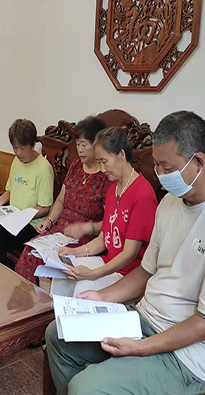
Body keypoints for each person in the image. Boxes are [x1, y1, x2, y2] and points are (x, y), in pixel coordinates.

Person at [45, 111, 205, 395]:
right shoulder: (171, 203)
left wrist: (139, 348)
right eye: (157, 165)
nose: (160, 175)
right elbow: (146, 272)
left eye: (166, 167)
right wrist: (101, 297)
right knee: (57, 334)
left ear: (198, 162)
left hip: (187, 356)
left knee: (85, 389)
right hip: (143, 320)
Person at [51, 126, 157, 296]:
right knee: (64, 273)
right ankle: (57, 313)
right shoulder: (114, 189)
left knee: (83, 287)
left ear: (121, 155)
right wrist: (74, 252)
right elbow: (103, 239)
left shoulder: (142, 194)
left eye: (104, 161)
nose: (101, 169)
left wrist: (93, 274)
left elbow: (129, 254)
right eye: (99, 162)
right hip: (108, 261)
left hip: (128, 273)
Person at [14, 116, 112, 284]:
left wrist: (85, 228)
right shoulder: (75, 166)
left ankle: (43, 299)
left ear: (98, 145)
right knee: (31, 249)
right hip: (60, 230)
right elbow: (60, 200)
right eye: (77, 144)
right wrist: (50, 221)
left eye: (84, 145)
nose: (80, 149)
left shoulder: (106, 176)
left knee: (41, 258)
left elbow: (109, 222)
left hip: (83, 237)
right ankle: (24, 296)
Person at [0, 119, 54, 265]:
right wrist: (0, 201)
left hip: (32, 225)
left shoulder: (44, 169)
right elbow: (10, 190)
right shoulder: (17, 161)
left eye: (22, 148)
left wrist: (23, 215)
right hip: (12, 218)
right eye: (15, 148)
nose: (18, 153)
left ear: (33, 145)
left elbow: (45, 208)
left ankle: (1, 273)